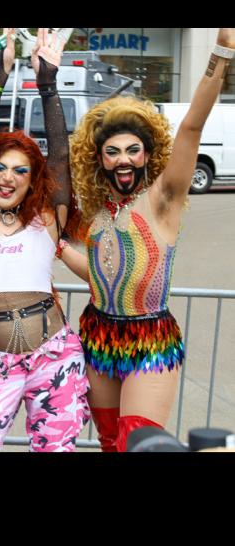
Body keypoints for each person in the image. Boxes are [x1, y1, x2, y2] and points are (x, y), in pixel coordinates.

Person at [60, 28, 235, 452]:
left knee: (135, 440)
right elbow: (102, 278)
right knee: (108, 441)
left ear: (147, 155)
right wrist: (60, 249)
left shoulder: (162, 199)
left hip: (150, 341)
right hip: (99, 335)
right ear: (99, 159)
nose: (123, 159)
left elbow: (191, 126)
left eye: (132, 150)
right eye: (113, 151)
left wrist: (222, 52)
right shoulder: (99, 211)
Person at [0, 28, 90, 453]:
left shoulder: (45, 220)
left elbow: (60, 157)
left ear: (32, 182)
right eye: (0, 167)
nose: (8, 177)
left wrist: (48, 84)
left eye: (20, 171)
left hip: (55, 358)